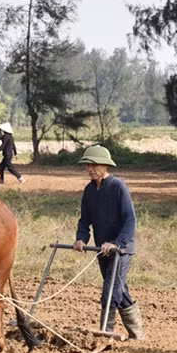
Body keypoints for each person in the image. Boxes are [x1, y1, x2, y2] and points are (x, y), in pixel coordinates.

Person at [73, 145, 145, 340]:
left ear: (105, 166)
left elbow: (130, 219)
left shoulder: (118, 187)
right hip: (102, 248)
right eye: (87, 165)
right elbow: (84, 220)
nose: (90, 169)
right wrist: (81, 239)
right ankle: (137, 333)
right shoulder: (89, 190)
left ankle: (106, 333)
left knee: (111, 290)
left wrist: (117, 243)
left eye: (95, 165)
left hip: (121, 249)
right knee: (119, 288)